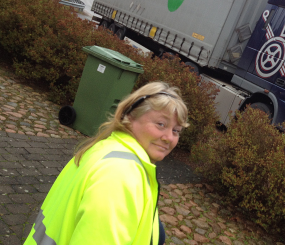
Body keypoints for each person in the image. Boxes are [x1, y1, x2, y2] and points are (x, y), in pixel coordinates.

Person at [23, 82, 189, 245]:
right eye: (161, 124)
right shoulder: (121, 174)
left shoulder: (107, 147)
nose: (169, 137)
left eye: (176, 131)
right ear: (130, 118)